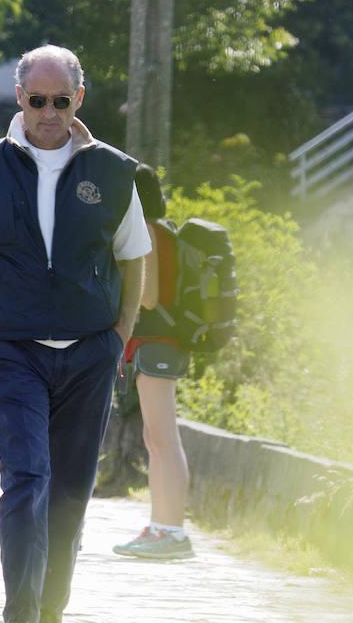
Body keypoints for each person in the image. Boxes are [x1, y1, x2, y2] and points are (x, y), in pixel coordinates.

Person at [0, 45, 151, 623]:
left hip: (90, 352)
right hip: (11, 349)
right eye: (37, 100)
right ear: (19, 99)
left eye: (60, 100)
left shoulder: (112, 170)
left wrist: (118, 337)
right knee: (27, 478)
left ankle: (51, 610)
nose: (48, 112)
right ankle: (21, 611)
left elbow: (134, 259)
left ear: (78, 99)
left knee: (70, 492)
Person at [112, 163, 194, 560]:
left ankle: (174, 533)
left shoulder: (149, 231)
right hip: (154, 345)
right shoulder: (156, 230)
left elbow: (149, 297)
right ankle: (160, 527)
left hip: (159, 343)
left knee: (164, 439)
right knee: (154, 440)